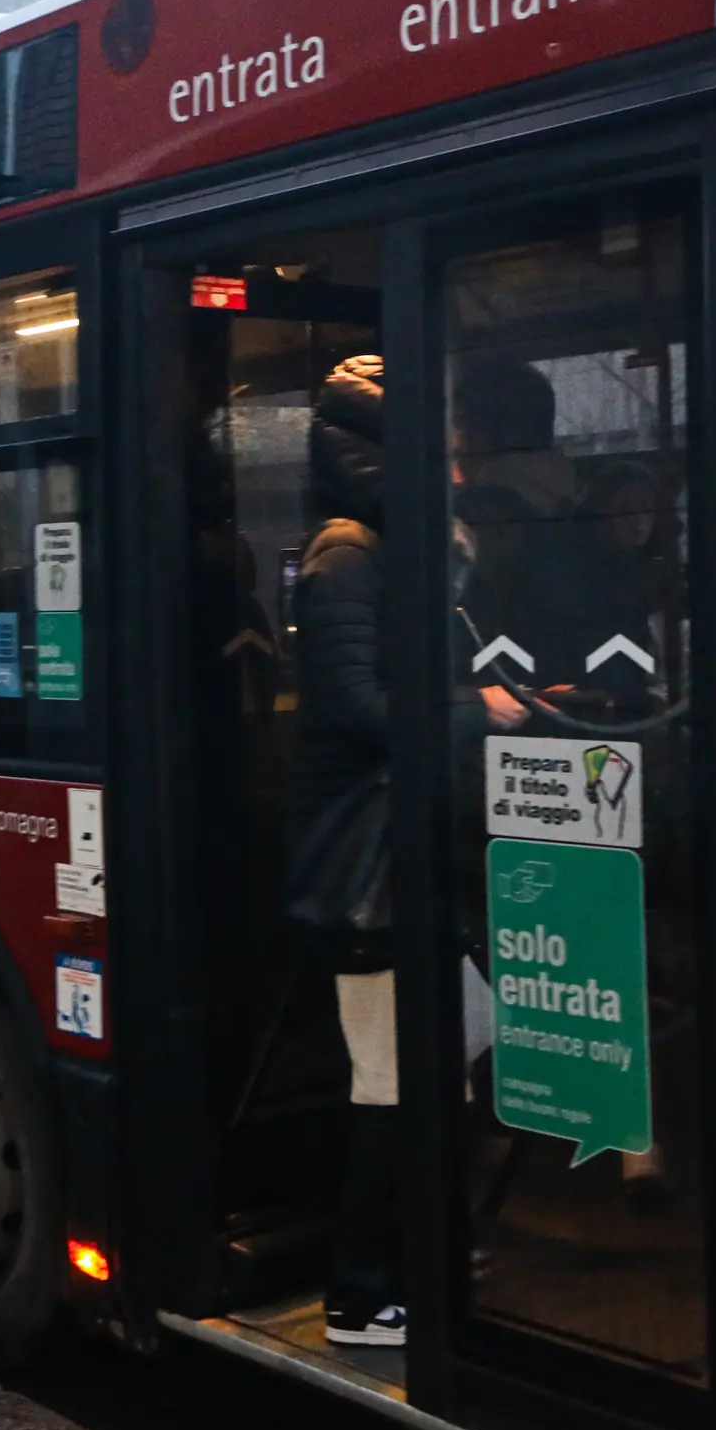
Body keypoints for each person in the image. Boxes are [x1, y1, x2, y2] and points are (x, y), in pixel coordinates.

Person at [284, 354, 405, 1350]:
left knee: (426, 1069)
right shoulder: (346, 557)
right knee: (389, 1079)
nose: (457, 469)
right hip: (366, 871)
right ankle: (360, 1294)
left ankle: (406, 1258)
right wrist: (474, 709)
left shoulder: (384, 550)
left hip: (406, 859)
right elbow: (358, 708)